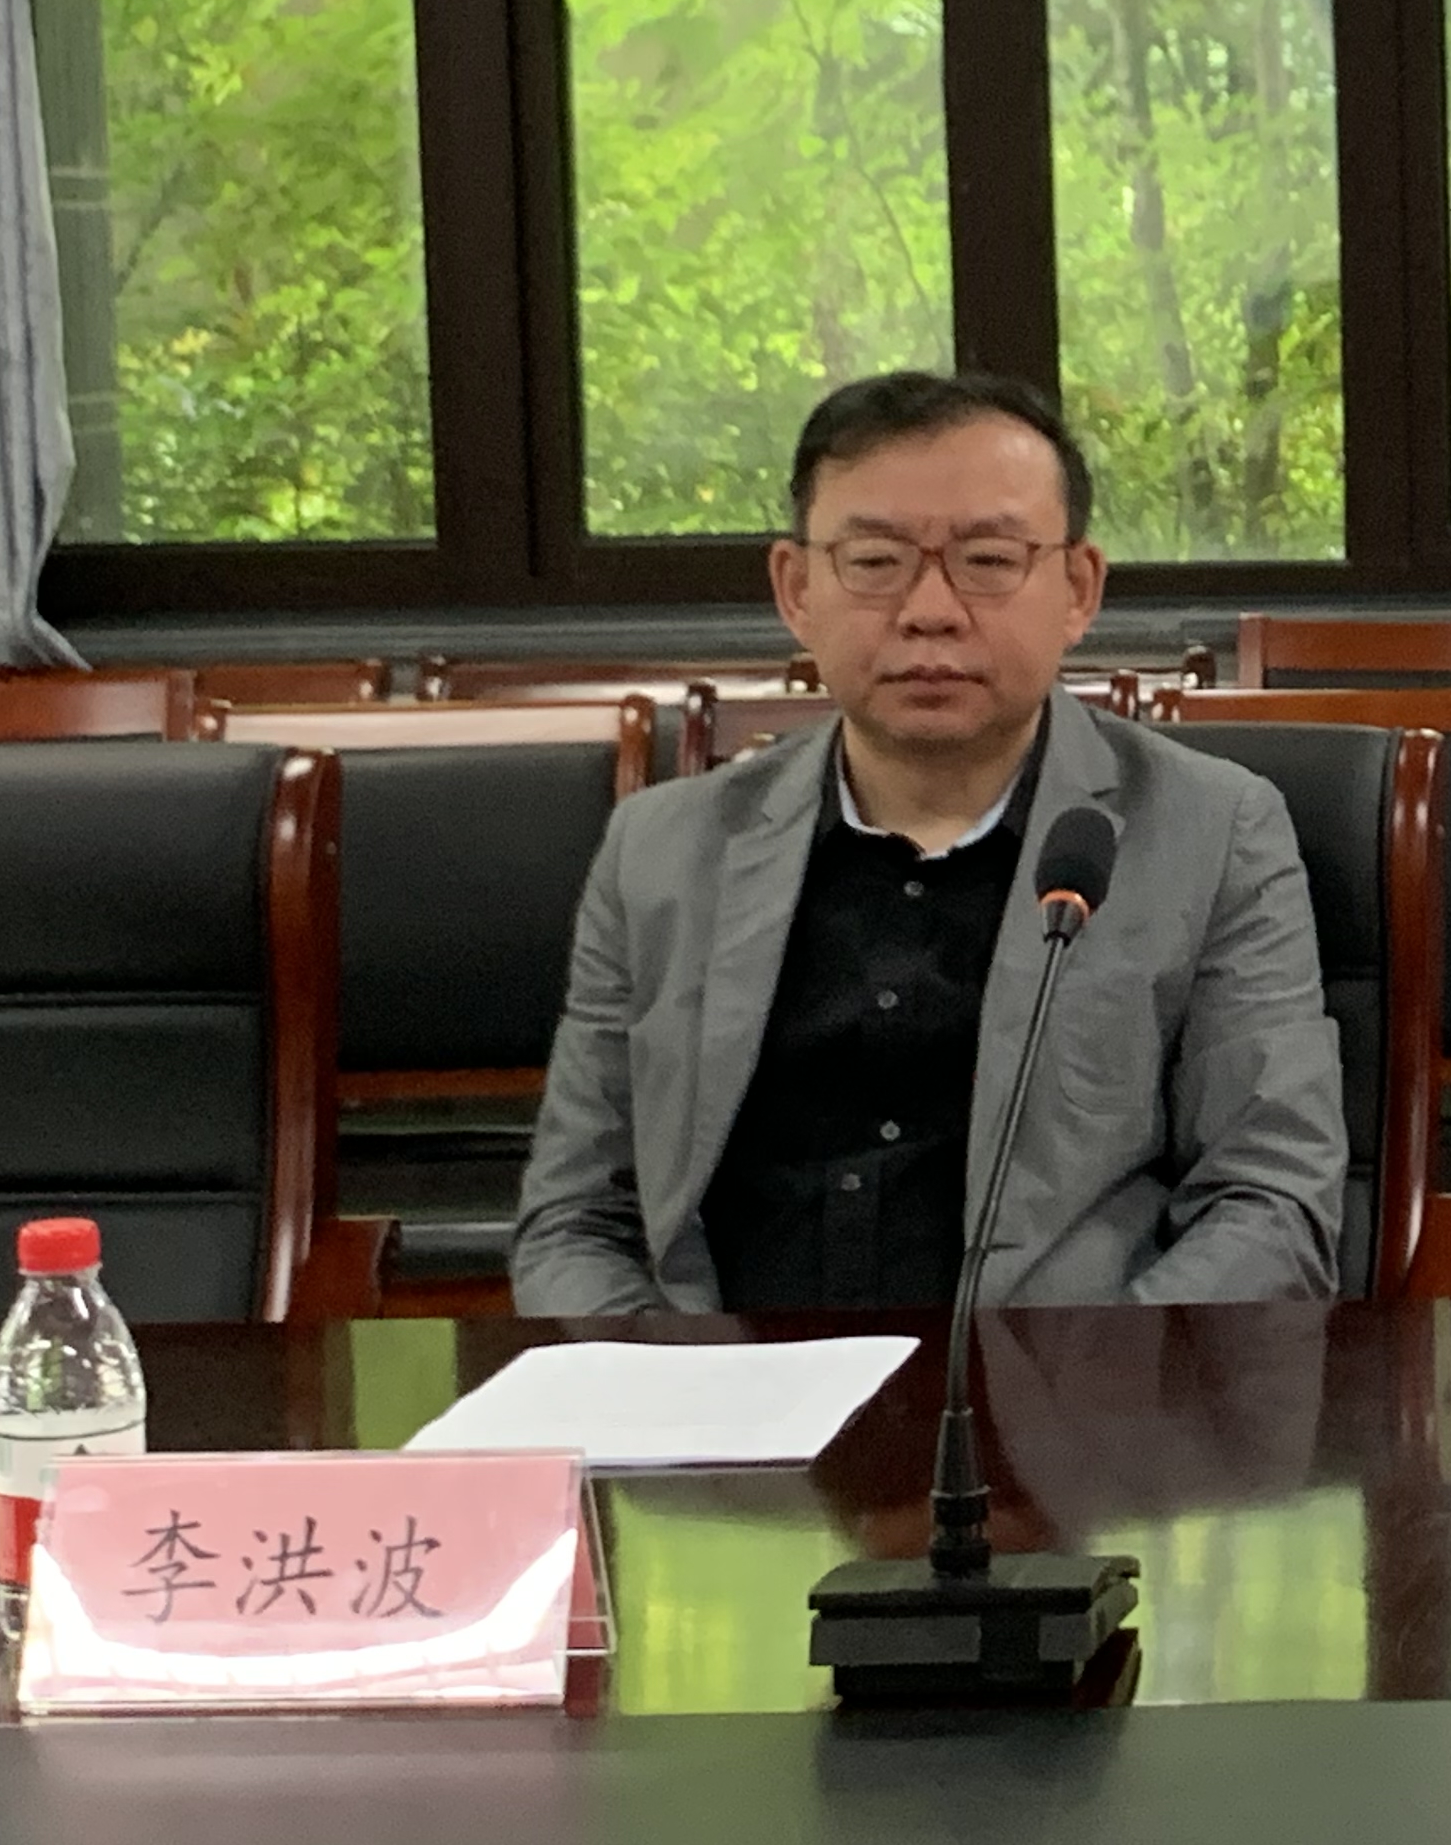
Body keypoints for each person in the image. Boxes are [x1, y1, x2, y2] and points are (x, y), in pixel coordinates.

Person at [513, 372, 1348, 1316]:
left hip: (1065, 1390)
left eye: (988, 560)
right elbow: (578, 1218)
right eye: (875, 561)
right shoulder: (663, 850)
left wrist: (1094, 1382)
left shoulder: (1211, 830)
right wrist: (660, 1383)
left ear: (1078, 590)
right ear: (796, 589)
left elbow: (1271, 1201)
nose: (931, 610)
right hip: (726, 1392)